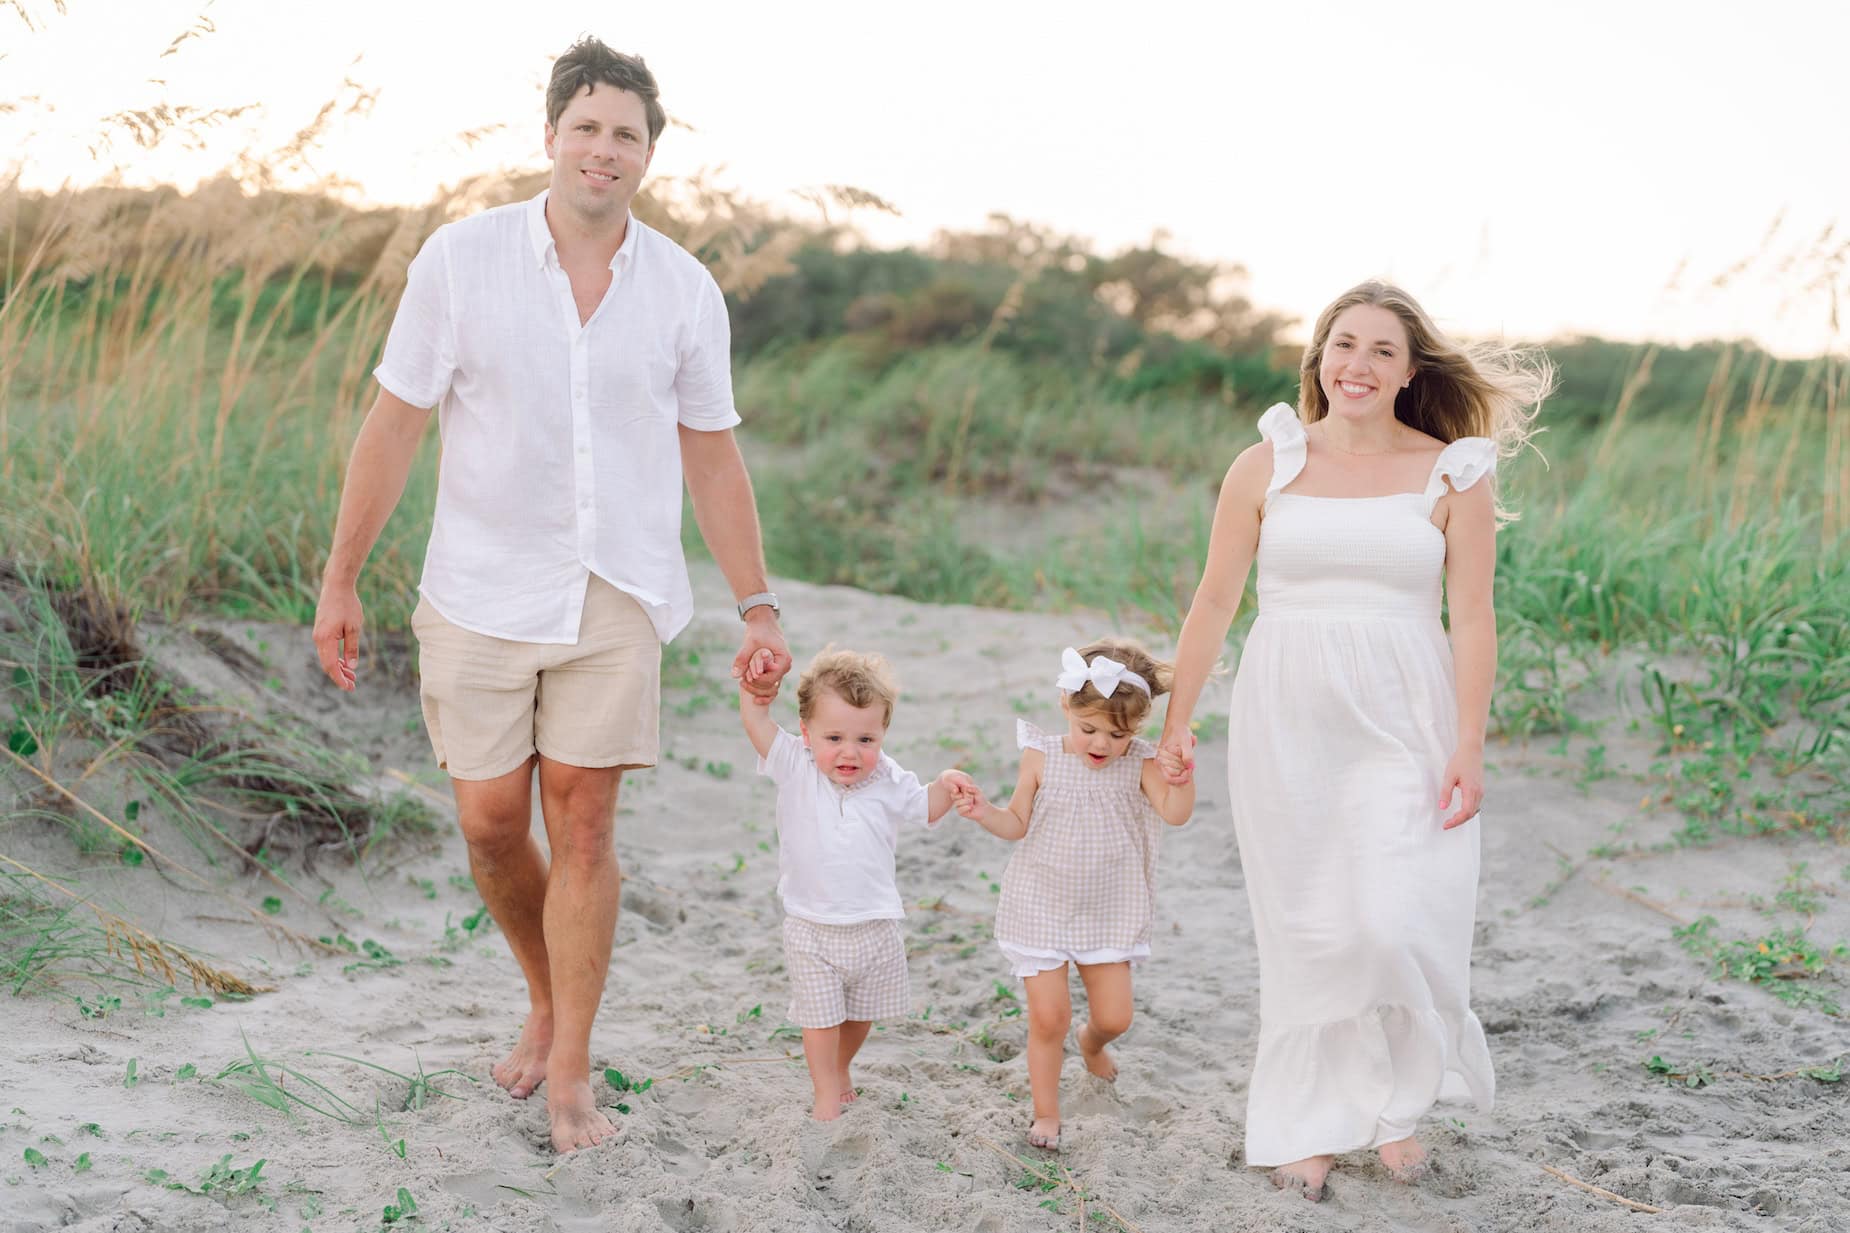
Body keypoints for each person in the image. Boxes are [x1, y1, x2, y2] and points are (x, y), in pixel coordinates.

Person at [310, 37, 792, 1154]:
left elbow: (712, 455)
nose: (603, 149)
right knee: (489, 825)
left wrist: (757, 605)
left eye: (626, 133)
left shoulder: (682, 288)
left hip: (615, 587)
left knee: (582, 820)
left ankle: (570, 1055)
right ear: (550, 138)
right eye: (586, 127)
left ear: (648, 156)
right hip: (477, 587)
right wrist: (339, 580)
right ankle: (542, 989)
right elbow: (395, 424)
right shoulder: (459, 260)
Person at [1156, 280, 1553, 1199]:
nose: (1358, 364)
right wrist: (1179, 721)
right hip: (1286, 713)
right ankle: (1321, 1118)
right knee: (1310, 925)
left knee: (1388, 917)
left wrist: (1469, 742)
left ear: (1412, 370)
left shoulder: (1454, 472)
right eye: (1343, 344)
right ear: (1317, 359)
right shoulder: (1266, 465)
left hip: (1403, 716)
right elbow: (1216, 598)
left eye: (1382, 349)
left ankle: (1396, 1099)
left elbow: (1475, 617)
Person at [956, 639, 1195, 1150]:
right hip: (1041, 904)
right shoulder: (1041, 755)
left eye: (1117, 734)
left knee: (1115, 1018)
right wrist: (984, 812)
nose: (1102, 744)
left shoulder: (1142, 763)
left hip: (1108, 909)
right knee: (1049, 1017)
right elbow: (1017, 821)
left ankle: (1091, 1044)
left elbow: (1174, 813)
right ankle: (1046, 1114)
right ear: (1066, 705)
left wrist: (1182, 777)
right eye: (1088, 729)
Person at [738, 647, 974, 1121]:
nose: (850, 751)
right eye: (834, 737)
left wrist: (948, 785)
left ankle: (842, 1067)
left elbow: (925, 808)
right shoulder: (796, 764)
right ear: (806, 734)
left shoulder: (888, 777)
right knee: (820, 1017)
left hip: (875, 923)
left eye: (866, 738)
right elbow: (759, 727)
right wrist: (754, 694)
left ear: (883, 734)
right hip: (812, 924)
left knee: (861, 1013)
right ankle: (826, 1090)